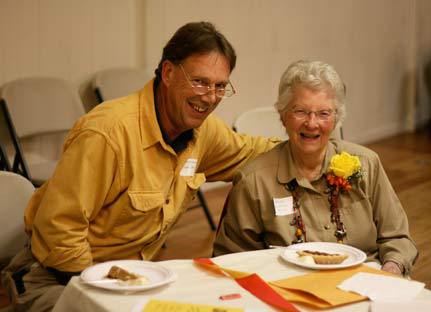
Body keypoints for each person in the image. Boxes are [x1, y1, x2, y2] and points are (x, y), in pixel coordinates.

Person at [1, 21, 280, 311]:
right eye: (200, 81)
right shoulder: (107, 133)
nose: (210, 97)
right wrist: (103, 295)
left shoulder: (204, 132)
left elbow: (255, 152)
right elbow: (60, 229)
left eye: (220, 86)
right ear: (169, 73)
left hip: (131, 280)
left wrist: (312, 139)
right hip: (57, 278)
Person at [213, 60, 418, 276]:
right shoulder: (254, 181)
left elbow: (397, 237)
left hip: (367, 284)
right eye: (300, 111)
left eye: (323, 113)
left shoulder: (367, 164)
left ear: (336, 118)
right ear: (283, 116)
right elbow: (231, 260)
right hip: (290, 292)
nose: (312, 123)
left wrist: (391, 270)